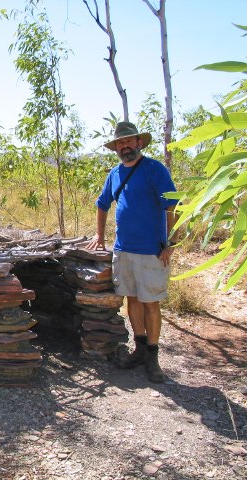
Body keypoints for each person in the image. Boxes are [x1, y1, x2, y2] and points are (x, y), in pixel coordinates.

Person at [86, 121, 178, 383]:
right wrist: (99, 237)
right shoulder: (115, 173)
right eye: (120, 143)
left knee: (151, 302)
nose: (125, 146)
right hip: (124, 249)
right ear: (115, 147)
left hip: (152, 250)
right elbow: (102, 204)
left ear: (139, 143)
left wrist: (169, 242)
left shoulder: (154, 169)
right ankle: (139, 349)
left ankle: (153, 356)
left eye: (129, 141)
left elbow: (172, 206)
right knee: (133, 300)